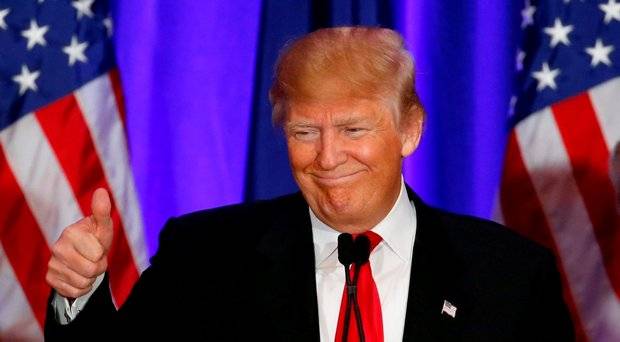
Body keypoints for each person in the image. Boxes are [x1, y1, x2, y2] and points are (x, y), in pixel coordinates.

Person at [45, 27, 574, 341]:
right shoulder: (207, 255)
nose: (327, 156)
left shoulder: (510, 276)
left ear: (409, 129)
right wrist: (80, 292)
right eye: (304, 131)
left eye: (353, 129)